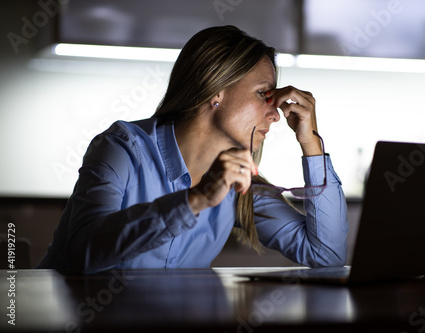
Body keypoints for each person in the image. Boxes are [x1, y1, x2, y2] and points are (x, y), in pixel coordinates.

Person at [36, 25, 348, 274]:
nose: (276, 114)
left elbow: (327, 255)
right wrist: (194, 200)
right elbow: (82, 253)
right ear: (215, 92)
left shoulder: (238, 185)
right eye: (263, 95)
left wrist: (312, 145)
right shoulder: (121, 149)